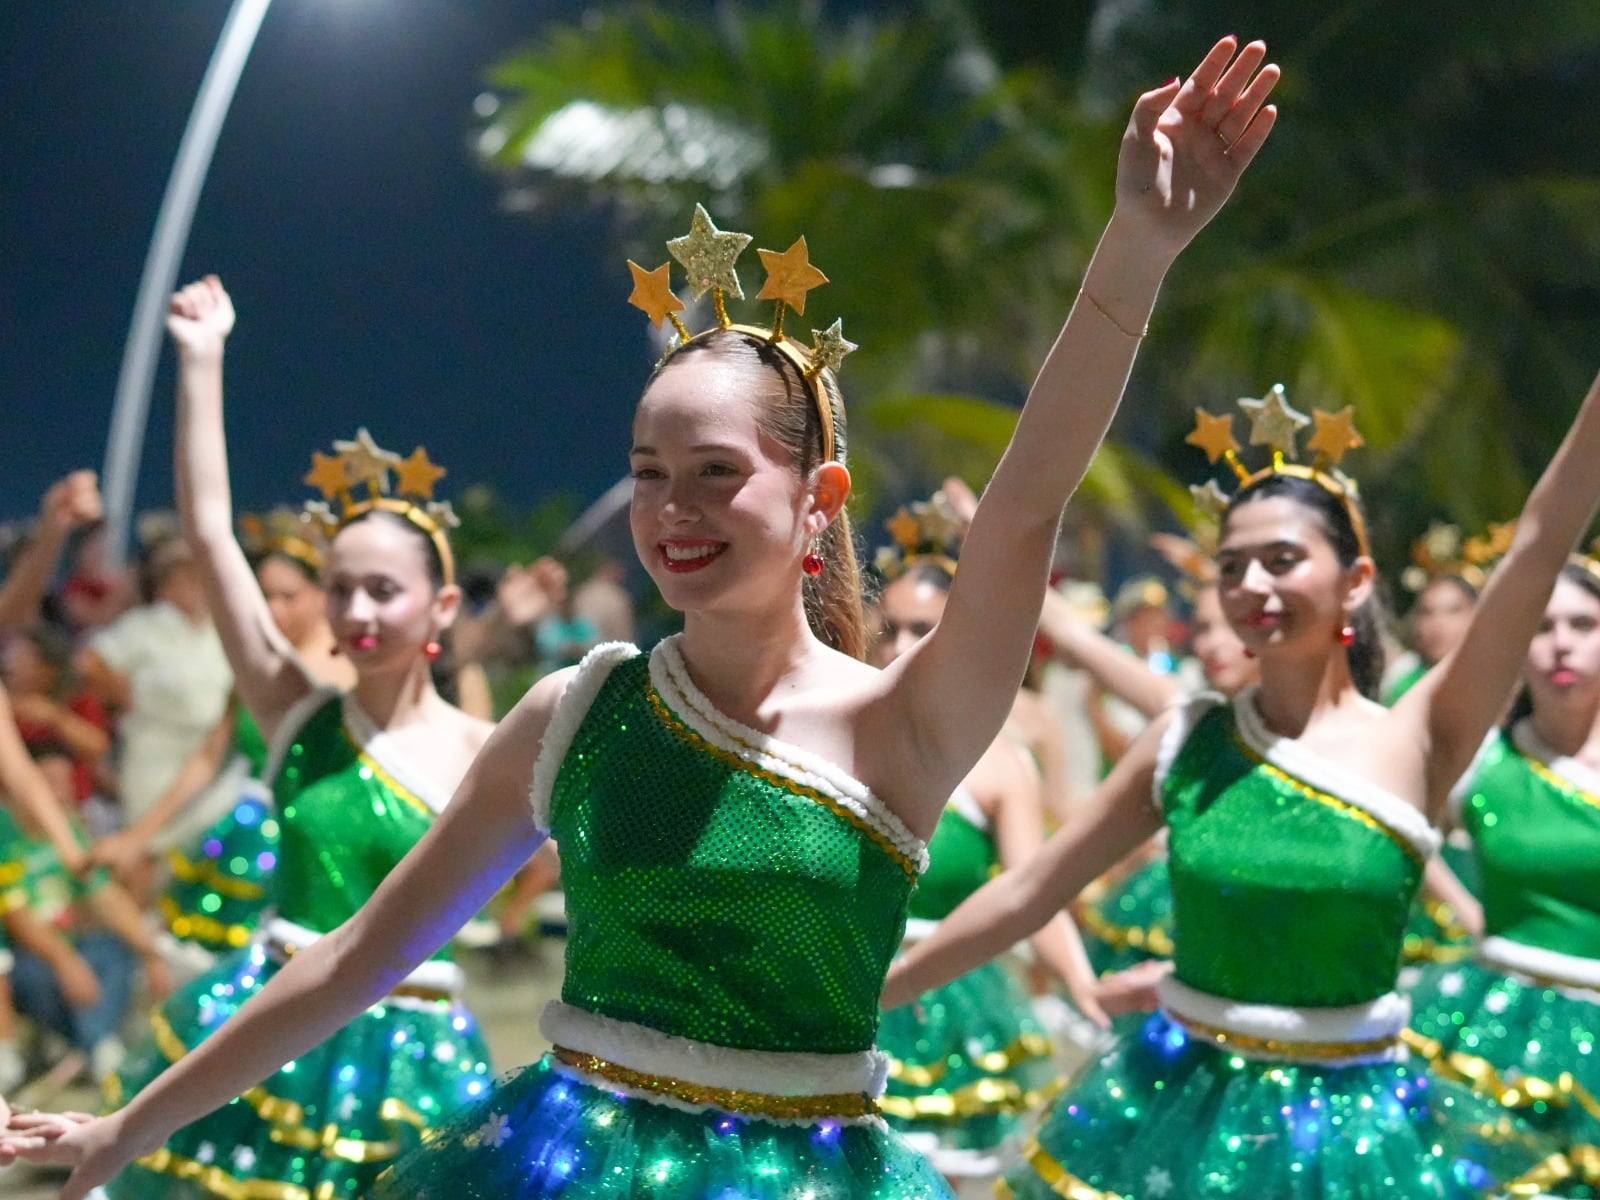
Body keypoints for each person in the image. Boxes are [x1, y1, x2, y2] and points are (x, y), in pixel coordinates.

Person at [3, 37, 1280, 1200]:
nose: (676, 509)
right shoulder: (578, 714)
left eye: (718, 472)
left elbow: (1021, 511)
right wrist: (128, 1125)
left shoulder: (906, 722)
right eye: (651, 473)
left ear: (819, 496)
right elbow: (354, 959)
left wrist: (1136, 250)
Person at [882, 371, 1600, 1197]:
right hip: (1177, 1112)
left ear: (1356, 581)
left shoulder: (1421, 736)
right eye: (1233, 566)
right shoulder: (1188, 740)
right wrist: (868, 999)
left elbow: (1543, 541)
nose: (1253, 586)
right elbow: (1029, 891)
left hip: (1357, 1133)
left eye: (1283, 560)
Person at [6, 276, 498, 1198]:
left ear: (437, 604)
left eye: (382, 590)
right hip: (268, 1016)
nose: (355, 610)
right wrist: (201, 360)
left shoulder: (493, 751)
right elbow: (209, 533)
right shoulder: (297, 711)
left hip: (416, 1054)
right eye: (339, 586)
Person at [870, 500, 1105, 1192]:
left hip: (955, 998)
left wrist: (1081, 983)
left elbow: (1033, 889)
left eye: (924, 628)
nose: (900, 645)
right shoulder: (833, 737)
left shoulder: (1003, 764)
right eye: (890, 628)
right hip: (843, 987)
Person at [1403, 555, 1600, 1186]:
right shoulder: (1484, 765)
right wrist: (1463, 908)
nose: (1561, 643)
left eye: (1583, 624)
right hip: (1493, 1029)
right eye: (1540, 627)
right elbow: (1391, 833)